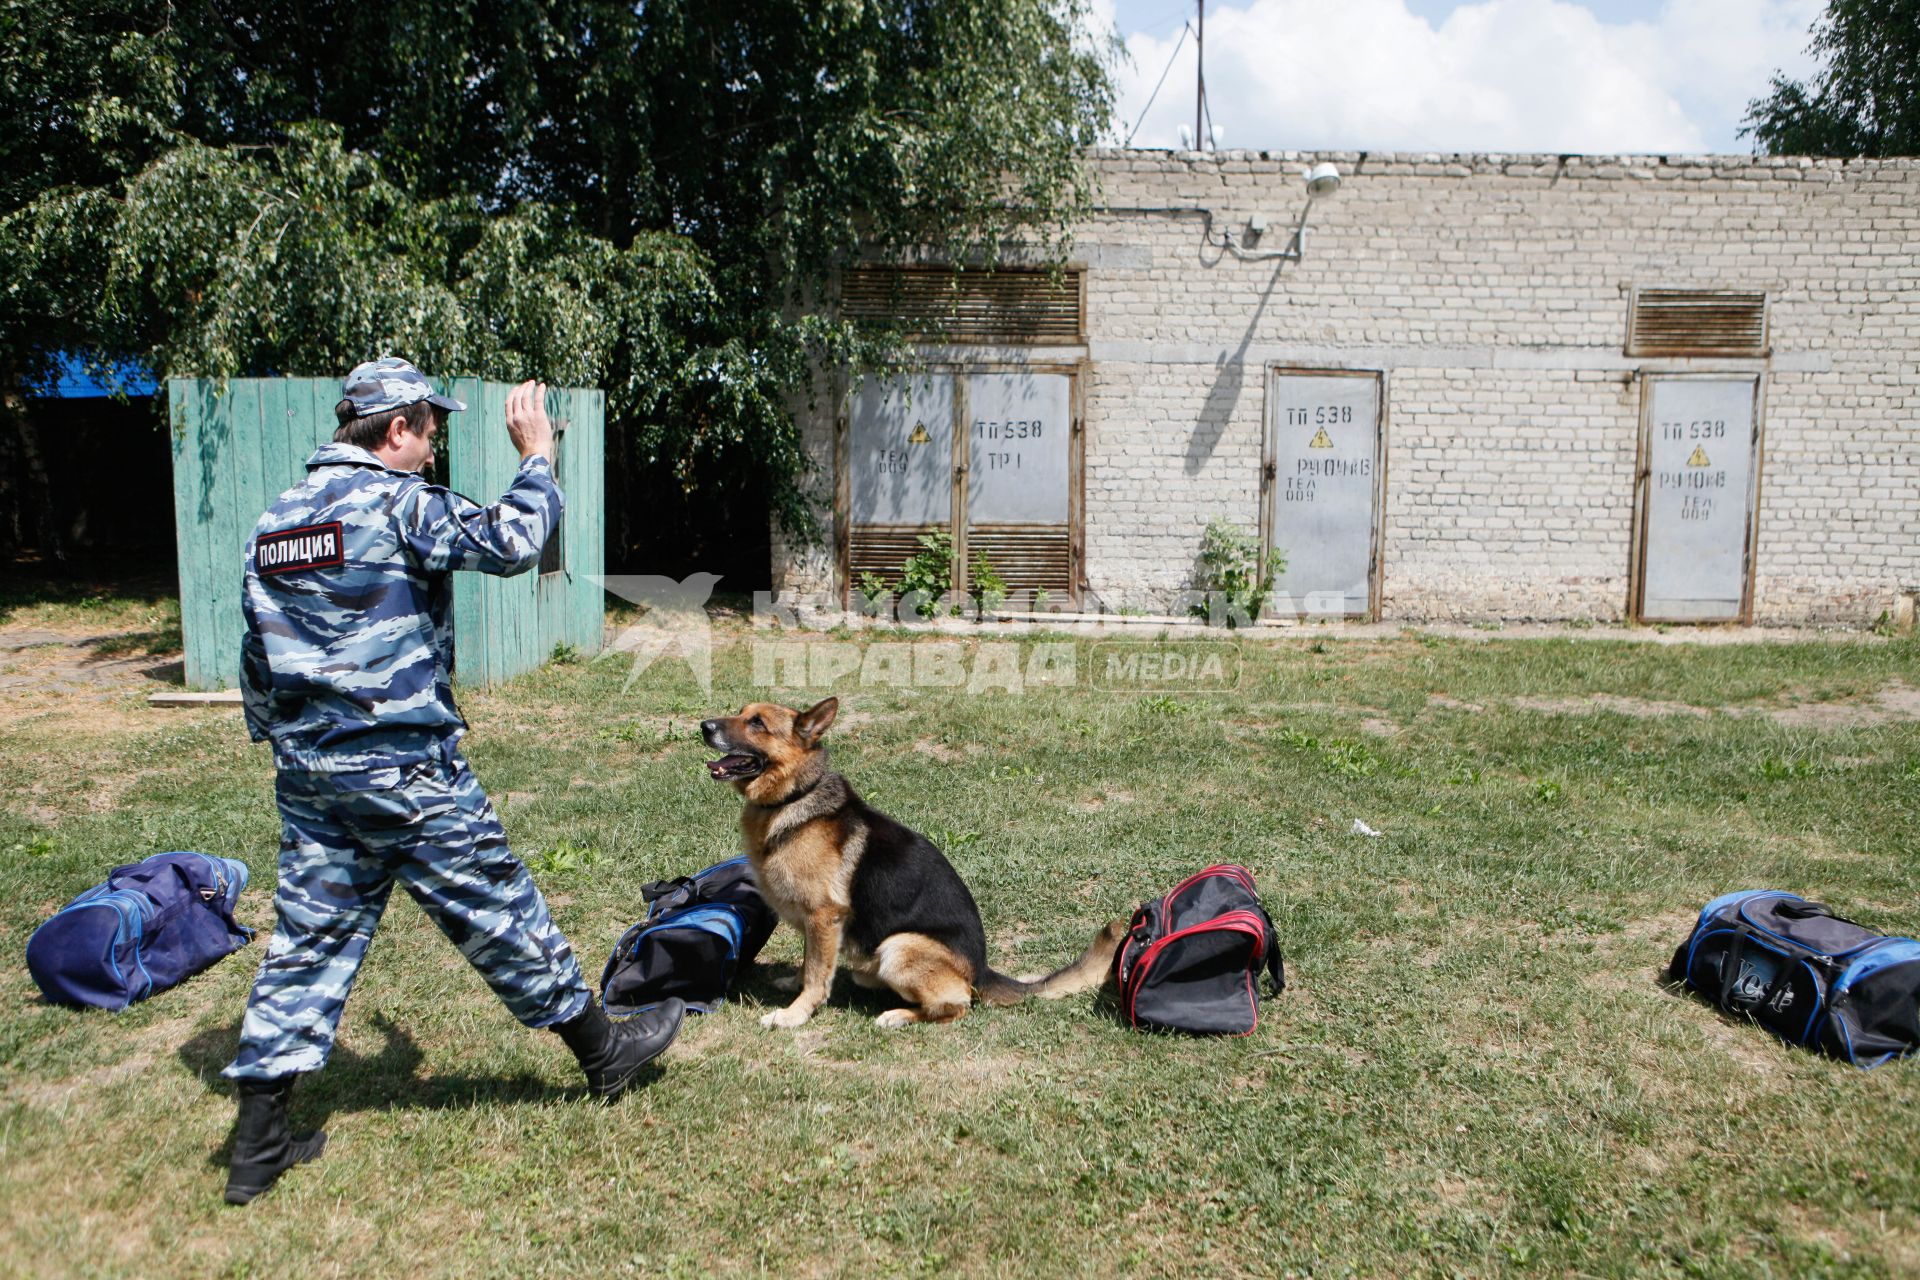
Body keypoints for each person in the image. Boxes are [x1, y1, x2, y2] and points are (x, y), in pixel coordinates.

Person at [221, 357, 683, 1206]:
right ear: (395, 429)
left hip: (313, 775)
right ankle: (605, 1053)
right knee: (500, 907)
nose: (433, 453)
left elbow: (254, 648)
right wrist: (536, 456)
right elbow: (513, 542)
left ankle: (257, 1143)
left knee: (308, 940)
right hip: (404, 771)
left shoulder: (275, 522)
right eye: (430, 435)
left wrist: (276, 735)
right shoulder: (393, 501)